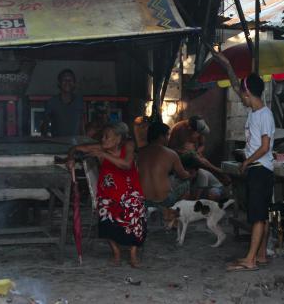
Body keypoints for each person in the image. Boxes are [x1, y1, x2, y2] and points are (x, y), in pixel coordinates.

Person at [212, 66, 275, 272]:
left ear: (249, 93)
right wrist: (227, 66)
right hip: (259, 168)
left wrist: (247, 161)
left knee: (257, 217)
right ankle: (262, 255)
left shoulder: (264, 115)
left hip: (259, 169)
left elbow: (265, 147)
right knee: (262, 214)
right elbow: (238, 88)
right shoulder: (254, 112)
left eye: (243, 95)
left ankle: (250, 260)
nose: (241, 98)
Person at [67, 122, 145, 268]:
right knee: (106, 221)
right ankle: (116, 253)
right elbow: (74, 148)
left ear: (118, 139)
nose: (103, 140)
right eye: (102, 136)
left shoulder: (128, 145)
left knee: (135, 216)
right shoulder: (100, 148)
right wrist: (70, 158)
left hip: (130, 191)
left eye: (107, 137)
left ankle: (133, 254)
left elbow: (127, 165)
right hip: (107, 193)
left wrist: (103, 154)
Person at [168, 116, 230, 200]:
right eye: (195, 132)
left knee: (201, 161)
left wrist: (198, 152)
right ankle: (219, 172)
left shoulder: (200, 130)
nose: (197, 134)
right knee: (198, 160)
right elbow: (171, 149)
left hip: (195, 156)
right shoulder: (178, 129)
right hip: (180, 157)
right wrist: (184, 151)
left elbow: (202, 145)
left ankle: (220, 174)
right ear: (190, 128)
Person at [137, 122, 191, 208]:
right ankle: (175, 213)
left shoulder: (138, 152)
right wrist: (189, 174)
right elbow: (183, 175)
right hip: (165, 201)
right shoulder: (171, 153)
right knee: (187, 183)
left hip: (144, 201)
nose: (168, 138)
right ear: (161, 136)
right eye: (167, 135)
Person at [41, 69, 84, 138]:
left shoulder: (79, 101)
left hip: (76, 143)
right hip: (58, 144)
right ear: (59, 83)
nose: (67, 82)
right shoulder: (52, 102)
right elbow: (45, 125)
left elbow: (81, 122)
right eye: (64, 80)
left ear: (74, 83)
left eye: (70, 80)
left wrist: (83, 140)